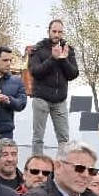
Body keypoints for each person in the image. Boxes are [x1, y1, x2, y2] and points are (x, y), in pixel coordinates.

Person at [29, 20, 79, 154]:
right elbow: (35, 72)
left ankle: (62, 170)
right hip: (41, 98)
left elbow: (73, 74)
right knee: (38, 137)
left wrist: (63, 59)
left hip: (60, 100)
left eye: (60, 32)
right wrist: (52, 58)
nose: (57, 34)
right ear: (49, 31)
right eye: (54, 31)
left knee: (64, 138)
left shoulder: (69, 49)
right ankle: (36, 168)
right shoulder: (38, 49)